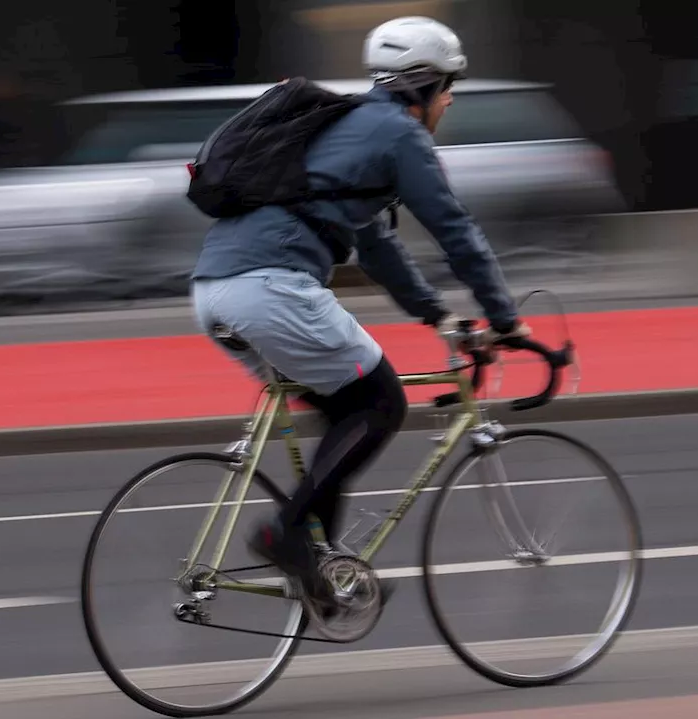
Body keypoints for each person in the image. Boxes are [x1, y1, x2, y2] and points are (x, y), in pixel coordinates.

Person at [189, 16, 532, 608]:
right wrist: (504, 319)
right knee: (380, 402)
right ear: (422, 85)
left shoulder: (345, 127)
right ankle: (287, 534)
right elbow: (455, 229)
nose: (449, 101)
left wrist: (439, 317)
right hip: (272, 287)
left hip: (213, 290)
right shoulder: (400, 135)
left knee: (344, 410)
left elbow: (378, 248)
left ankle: (319, 570)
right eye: (449, 87)